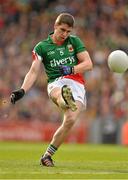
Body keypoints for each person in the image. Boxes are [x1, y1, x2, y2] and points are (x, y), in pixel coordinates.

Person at [10, 13, 93, 167]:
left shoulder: (74, 42)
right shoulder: (42, 47)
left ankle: (47, 155)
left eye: (68, 31)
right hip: (56, 82)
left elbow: (88, 64)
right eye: (62, 30)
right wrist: (22, 90)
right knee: (60, 93)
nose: (65, 34)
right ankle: (65, 97)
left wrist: (71, 68)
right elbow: (33, 71)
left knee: (70, 120)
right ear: (55, 26)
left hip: (77, 84)